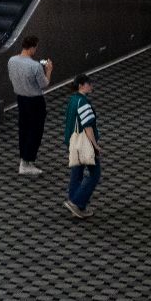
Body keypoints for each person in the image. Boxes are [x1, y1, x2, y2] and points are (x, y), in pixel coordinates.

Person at [8, 35, 54, 174]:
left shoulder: (12, 60)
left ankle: (23, 160)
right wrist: (49, 70)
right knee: (35, 132)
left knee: (24, 129)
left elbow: (12, 77)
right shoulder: (35, 66)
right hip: (35, 101)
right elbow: (44, 84)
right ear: (33, 47)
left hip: (21, 99)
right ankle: (28, 162)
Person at [63, 76, 100, 218]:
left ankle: (75, 204)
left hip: (72, 142)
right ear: (81, 85)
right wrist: (95, 145)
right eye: (88, 83)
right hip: (84, 144)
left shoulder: (73, 100)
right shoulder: (83, 102)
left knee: (76, 173)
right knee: (95, 174)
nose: (91, 85)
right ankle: (77, 202)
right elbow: (87, 126)